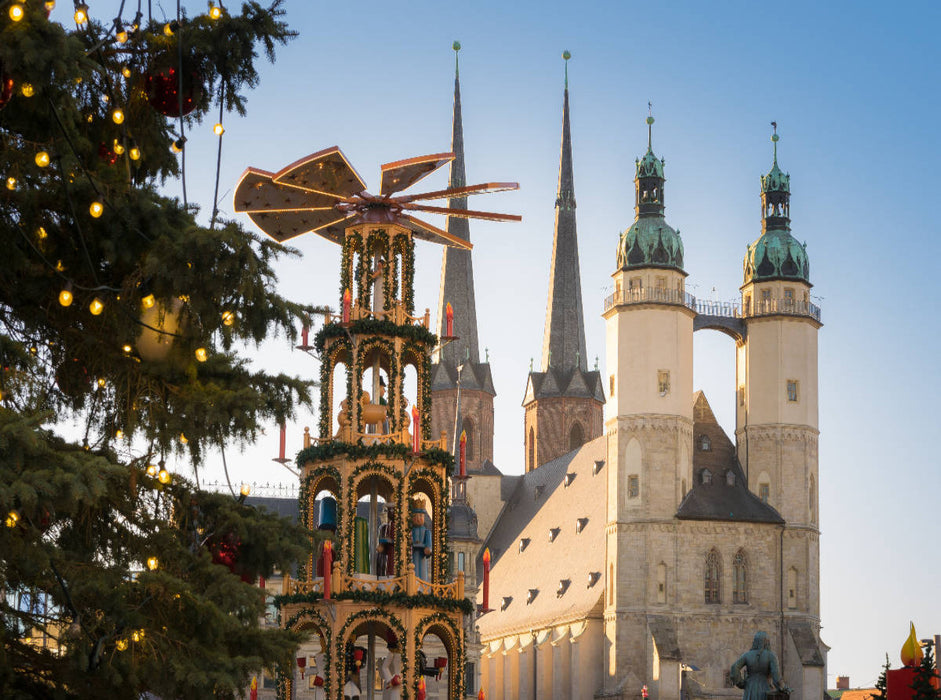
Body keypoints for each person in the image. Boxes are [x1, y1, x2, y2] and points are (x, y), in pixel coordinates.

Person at [730, 631, 791, 700]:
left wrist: (740, 683)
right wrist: (784, 687)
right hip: (765, 688)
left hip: (749, 688)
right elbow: (776, 678)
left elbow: (734, 667)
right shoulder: (771, 656)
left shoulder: (747, 655)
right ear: (767, 642)